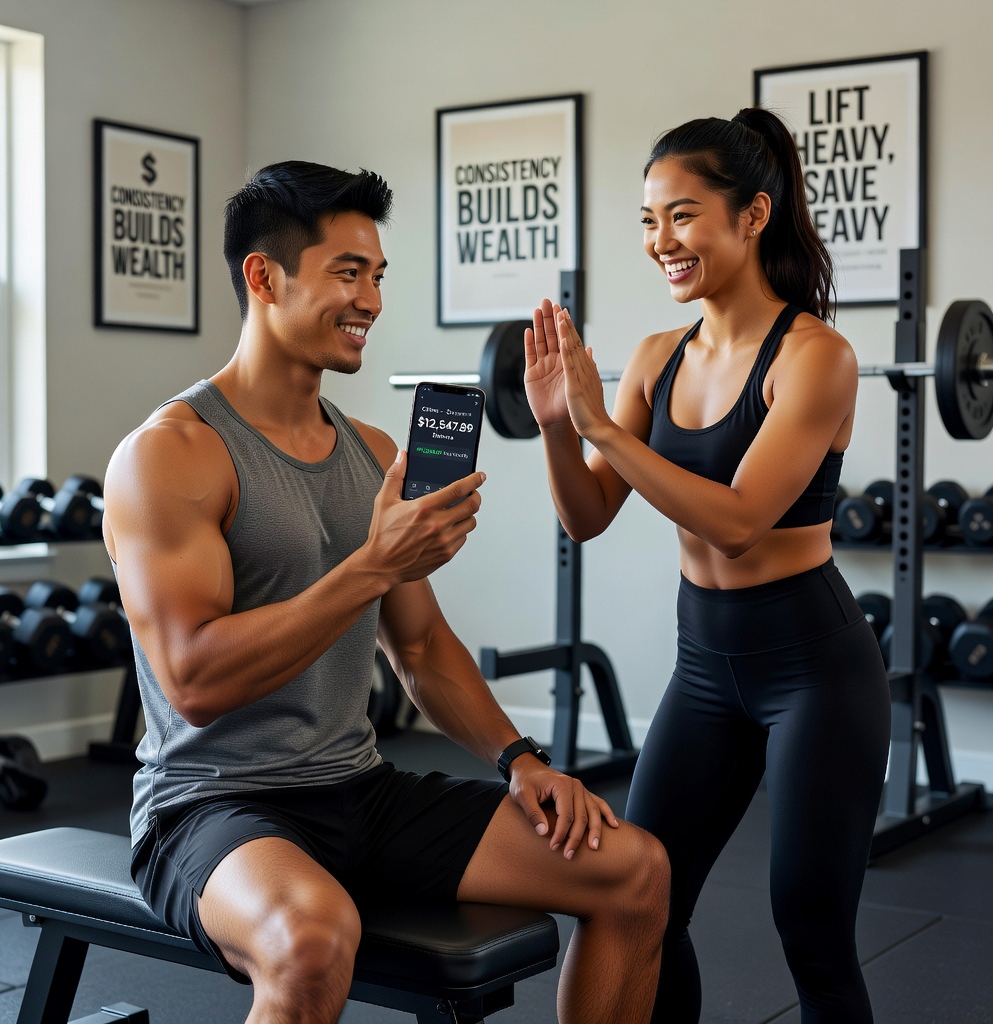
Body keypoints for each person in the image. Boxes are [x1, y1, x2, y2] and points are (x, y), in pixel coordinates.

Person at [102, 160, 669, 1024]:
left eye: (377, 275)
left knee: (633, 869)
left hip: (358, 790)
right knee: (312, 940)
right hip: (214, 804)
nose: (369, 299)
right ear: (264, 276)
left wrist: (520, 760)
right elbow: (194, 682)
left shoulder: (369, 450)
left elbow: (420, 646)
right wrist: (370, 564)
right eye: (346, 272)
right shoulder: (171, 454)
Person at [523, 108, 891, 1024]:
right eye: (649, 220)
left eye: (681, 215)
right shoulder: (658, 357)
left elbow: (736, 522)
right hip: (703, 666)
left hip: (814, 670)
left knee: (811, 928)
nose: (661, 242)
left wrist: (604, 423)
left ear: (753, 216)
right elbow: (587, 515)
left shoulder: (815, 358)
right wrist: (558, 428)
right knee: (645, 901)